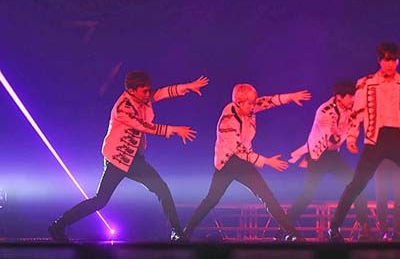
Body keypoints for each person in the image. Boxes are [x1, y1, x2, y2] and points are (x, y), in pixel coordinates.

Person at [48, 71, 207, 242]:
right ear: (132, 90)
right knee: (100, 201)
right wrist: (174, 130)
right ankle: (59, 225)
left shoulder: (142, 97)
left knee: (162, 188)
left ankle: (176, 232)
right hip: (117, 160)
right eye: (145, 91)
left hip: (135, 160)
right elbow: (144, 126)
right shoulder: (123, 108)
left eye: (149, 90)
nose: (148, 94)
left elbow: (162, 92)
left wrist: (188, 86)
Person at [327, 42, 400, 242]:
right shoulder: (365, 82)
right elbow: (357, 112)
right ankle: (334, 228)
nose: (391, 64)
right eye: (387, 60)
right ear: (379, 60)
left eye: (394, 60)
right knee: (357, 184)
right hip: (376, 138)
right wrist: (352, 136)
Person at [182, 83, 311, 241]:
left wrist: (290, 97)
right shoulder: (228, 121)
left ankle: (291, 234)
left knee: (267, 196)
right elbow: (240, 151)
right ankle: (184, 233)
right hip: (228, 163)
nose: (253, 107)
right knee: (211, 199)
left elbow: (267, 101)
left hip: (243, 161)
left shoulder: (248, 107)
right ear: (238, 103)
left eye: (253, 103)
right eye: (249, 104)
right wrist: (267, 161)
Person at [286, 81, 372, 240]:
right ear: (339, 97)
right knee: (308, 194)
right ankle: (285, 228)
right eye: (350, 97)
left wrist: (351, 140)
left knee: (356, 185)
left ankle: (362, 228)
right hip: (318, 155)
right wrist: (341, 136)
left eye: (353, 96)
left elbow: (356, 123)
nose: (353, 99)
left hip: (333, 154)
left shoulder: (351, 108)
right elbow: (332, 139)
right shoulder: (324, 111)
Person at [374, 160, 400, 240]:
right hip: (382, 158)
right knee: (381, 195)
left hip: (398, 158)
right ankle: (384, 231)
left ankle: (397, 231)